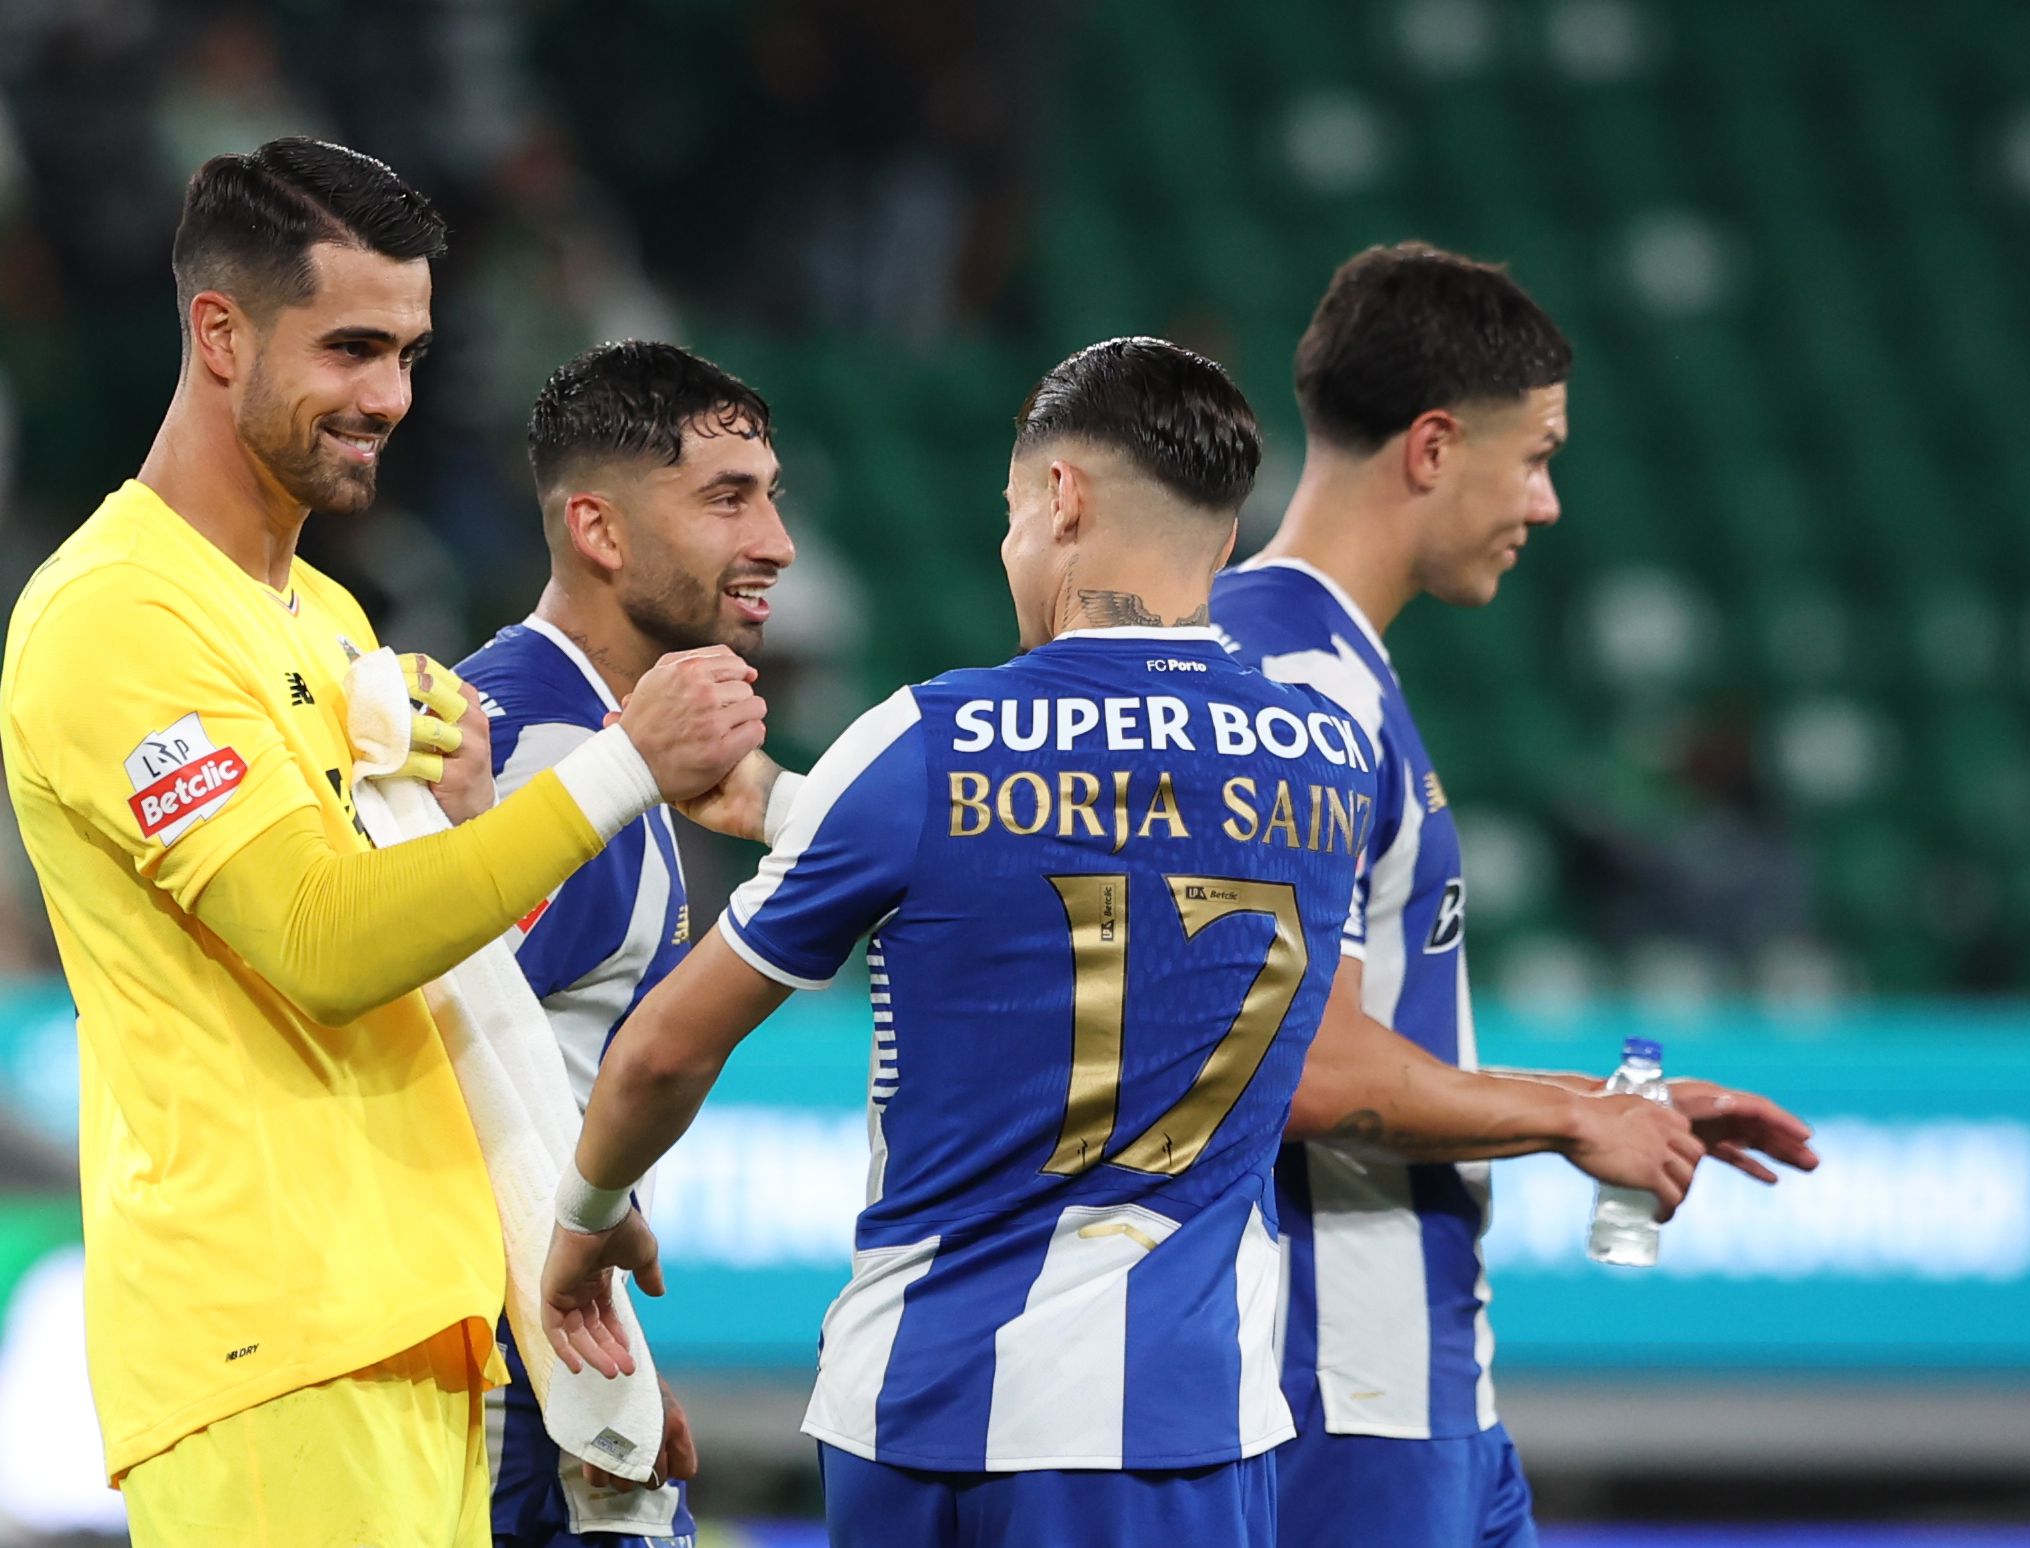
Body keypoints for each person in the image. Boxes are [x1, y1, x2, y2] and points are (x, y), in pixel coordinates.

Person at [0, 137, 765, 1543]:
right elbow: (320, 944)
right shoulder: (118, 620)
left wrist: (564, 1227)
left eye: (409, 353)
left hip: (416, 1329)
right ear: (217, 333)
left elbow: (442, 993)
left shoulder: (330, 625)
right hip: (266, 1343)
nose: (389, 398)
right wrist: (614, 773)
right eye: (351, 347)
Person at [544, 336, 1393, 1547]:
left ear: (1060, 497)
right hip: (1175, 1421)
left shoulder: (919, 744)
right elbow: (1134, 863)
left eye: (1009, 514)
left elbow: (660, 1056)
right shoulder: (1330, 756)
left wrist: (586, 1224)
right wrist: (800, 808)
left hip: (913, 1415)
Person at [1212, 243, 1822, 1548]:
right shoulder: (1294, 691)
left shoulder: (1310, 661)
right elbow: (1297, 1066)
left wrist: (1584, 1103)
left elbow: (1348, 1023)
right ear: (1431, 447)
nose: (1544, 501)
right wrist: (1561, 1127)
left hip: (1417, 1375)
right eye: (1535, 455)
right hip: (1338, 1383)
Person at [454, 339, 797, 1546]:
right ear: (598, 531)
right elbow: (430, 1081)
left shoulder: (578, 737)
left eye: (771, 496)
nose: (774, 542)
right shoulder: (546, 760)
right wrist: (567, 1390)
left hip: (544, 1364)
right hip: (499, 1394)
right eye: (726, 500)